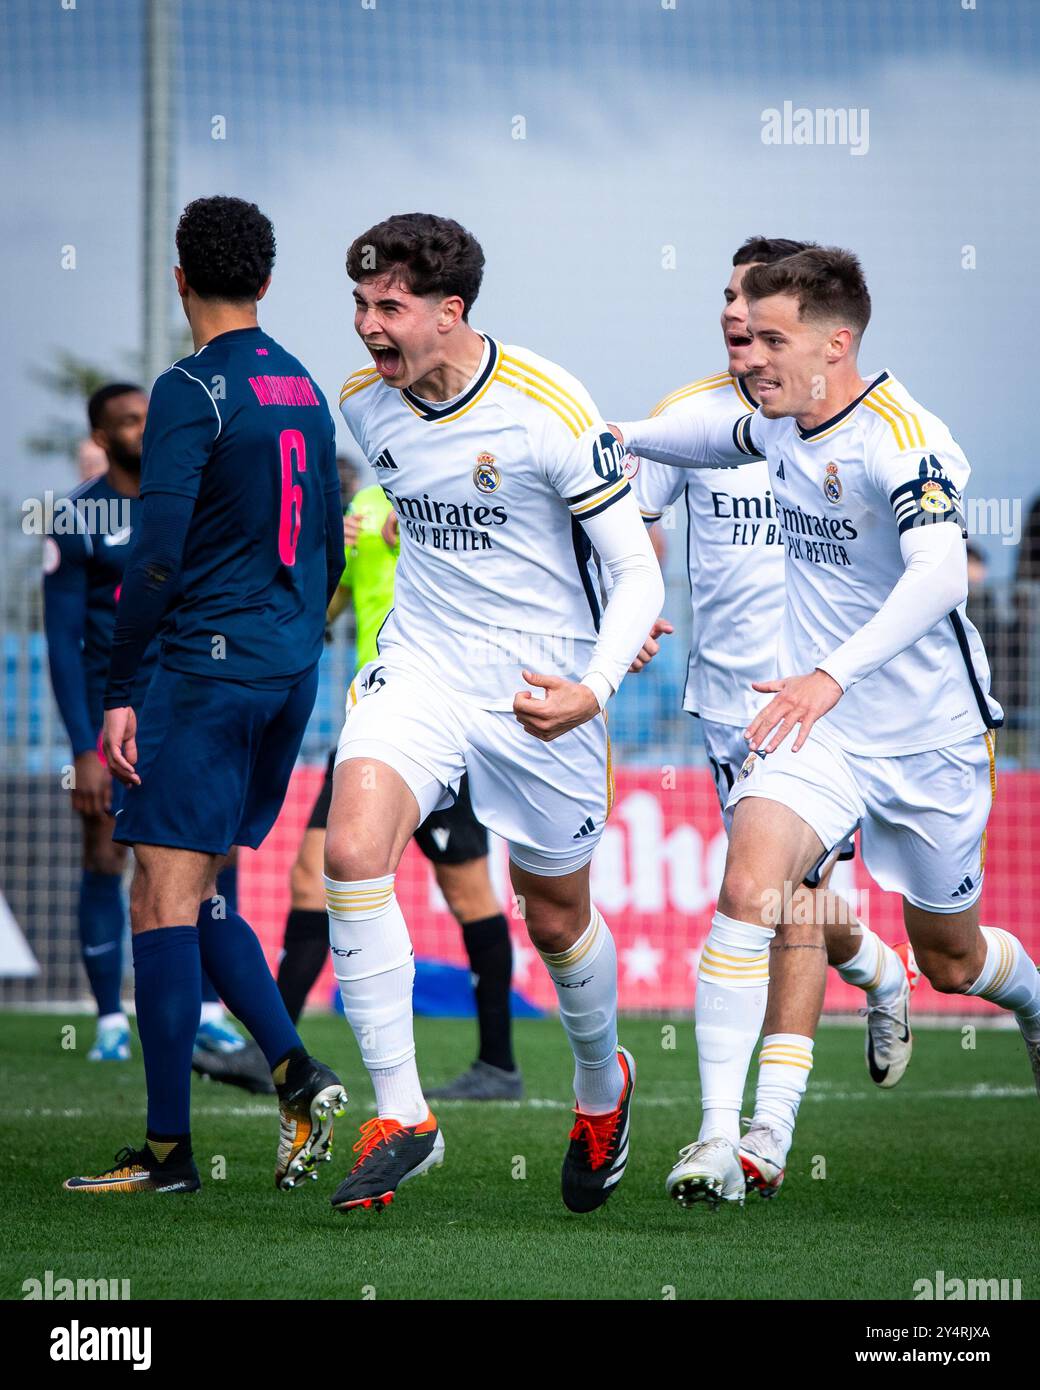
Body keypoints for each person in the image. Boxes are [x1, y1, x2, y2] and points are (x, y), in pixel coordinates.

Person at [615, 245, 1040, 1206]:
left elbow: (938, 575)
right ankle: (723, 1137)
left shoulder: (905, 436)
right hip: (820, 737)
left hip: (925, 736)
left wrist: (830, 674)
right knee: (752, 888)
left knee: (953, 956)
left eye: (773, 337)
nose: (751, 354)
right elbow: (688, 442)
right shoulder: (772, 423)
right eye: (747, 333)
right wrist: (602, 436)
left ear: (835, 343)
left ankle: (1028, 999)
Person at [326, 212, 663, 1213]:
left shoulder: (546, 405)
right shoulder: (364, 406)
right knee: (351, 853)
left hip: (541, 690)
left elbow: (636, 572)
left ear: (449, 310)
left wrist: (592, 685)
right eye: (357, 304)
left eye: (388, 307)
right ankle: (404, 1115)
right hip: (422, 668)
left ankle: (603, 1090)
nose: (366, 328)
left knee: (554, 917)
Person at [623, 237, 916, 1205]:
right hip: (724, 709)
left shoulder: (850, 426)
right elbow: (627, 521)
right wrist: (621, 609)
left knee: (765, 897)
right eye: (725, 297)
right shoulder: (691, 418)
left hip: (825, 712)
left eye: (751, 302)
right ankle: (876, 966)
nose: (732, 315)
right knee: (789, 905)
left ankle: (759, 1133)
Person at [65, 195, 347, 1195]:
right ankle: (298, 1076)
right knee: (206, 887)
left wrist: (119, 687)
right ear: (266, 281)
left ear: (177, 277)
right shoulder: (304, 386)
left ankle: (169, 1155)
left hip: (205, 668)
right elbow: (331, 540)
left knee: (158, 893)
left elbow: (155, 553)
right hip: (285, 671)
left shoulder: (189, 387)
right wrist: (297, 644)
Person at [44, 383, 260, 1084]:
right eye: (130, 421)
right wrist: (83, 745)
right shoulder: (77, 517)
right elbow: (61, 640)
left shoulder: (189, 499)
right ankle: (109, 1018)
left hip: (187, 706)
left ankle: (205, 1010)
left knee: (207, 857)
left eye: (149, 416)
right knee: (107, 857)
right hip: (112, 717)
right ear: (103, 439)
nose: (146, 427)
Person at [279, 490, 524, 1099]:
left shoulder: (461, 492)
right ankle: (277, 1056)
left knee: (468, 894)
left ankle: (498, 1065)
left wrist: (420, 530)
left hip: (442, 720)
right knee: (311, 878)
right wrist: (331, 553)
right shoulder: (361, 507)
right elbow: (323, 612)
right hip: (370, 723)